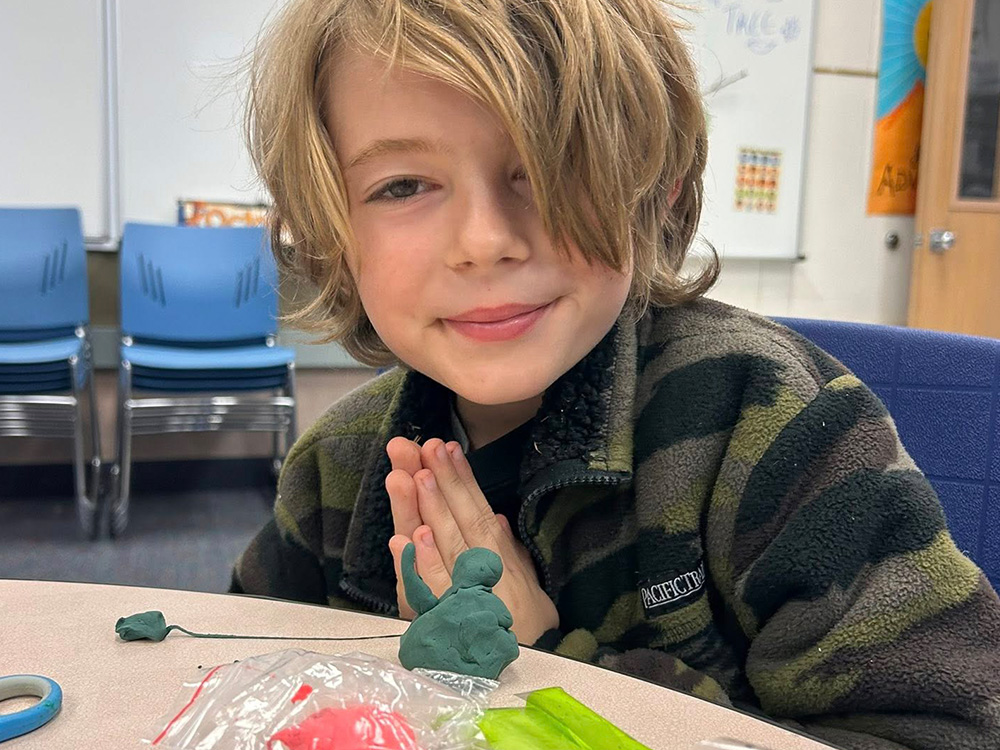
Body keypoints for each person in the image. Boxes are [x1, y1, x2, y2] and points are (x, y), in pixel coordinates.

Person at [231, 1, 1000, 747]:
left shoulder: (767, 420)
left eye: (547, 165)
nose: (484, 240)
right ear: (334, 231)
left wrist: (543, 668)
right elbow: (230, 686)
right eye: (401, 186)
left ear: (655, 188)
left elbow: (948, 731)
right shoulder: (335, 471)